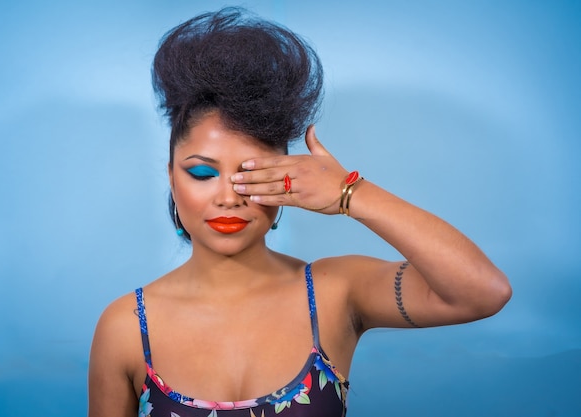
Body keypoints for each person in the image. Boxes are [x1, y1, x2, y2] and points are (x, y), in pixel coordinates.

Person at [88, 7, 512, 417]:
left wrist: (352, 193)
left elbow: (484, 292)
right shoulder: (125, 326)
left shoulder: (335, 291)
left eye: (253, 174)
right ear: (171, 177)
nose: (229, 196)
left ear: (285, 176)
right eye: (202, 172)